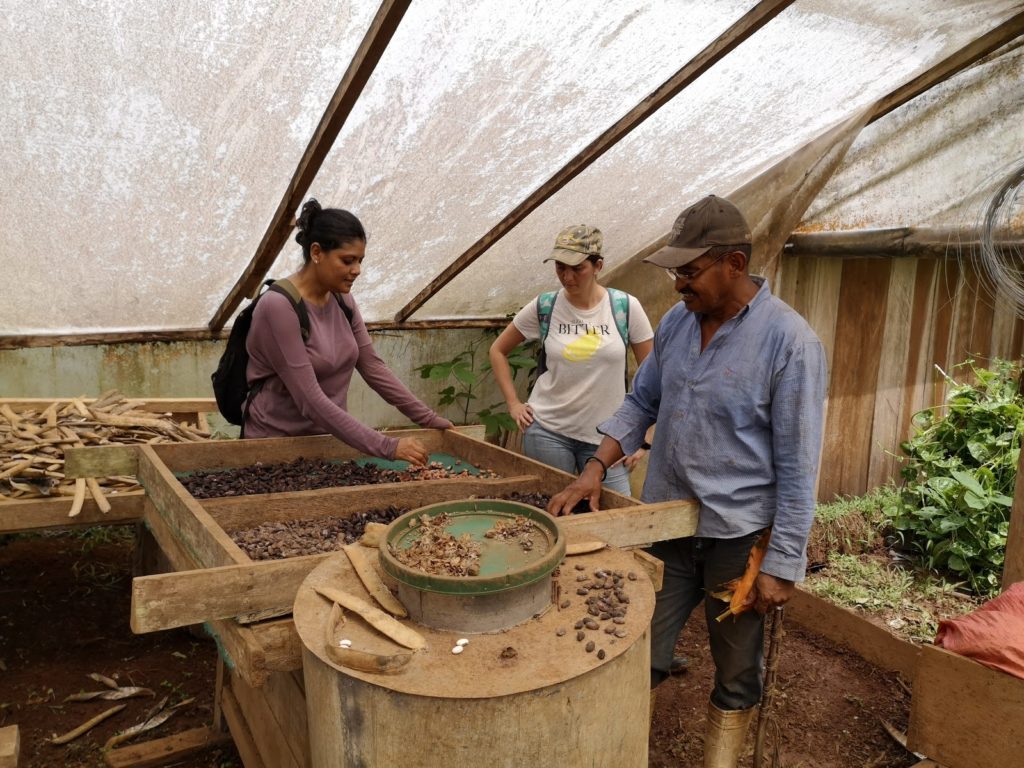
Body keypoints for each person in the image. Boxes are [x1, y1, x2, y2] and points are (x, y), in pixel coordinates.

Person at [547, 196, 827, 767]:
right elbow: (641, 401)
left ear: (734, 262)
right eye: (676, 271)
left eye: (690, 271)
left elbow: (800, 467)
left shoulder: (790, 343)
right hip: (668, 525)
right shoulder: (677, 324)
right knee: (637, 645)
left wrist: (783, 563)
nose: (679, 284)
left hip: (738, 537)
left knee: (736, 666)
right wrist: (595, 467)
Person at [244, 199, 452, 463]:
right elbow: (310, 399)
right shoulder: (279, 306)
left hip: (329, 442)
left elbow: (372, 367)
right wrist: (387, 446)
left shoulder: (343, 301)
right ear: (317, 252)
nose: (357, 270)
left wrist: (430, 419)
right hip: (275, 448)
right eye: (348, 260)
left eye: (360, 261)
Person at [489, 224, 654, 496]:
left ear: (598, 265)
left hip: (608, 439)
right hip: (548, 432)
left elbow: (652, 376)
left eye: (577, 268)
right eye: (560, 267)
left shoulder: (624, 307)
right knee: (553, 511)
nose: (567, 277)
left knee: (613, 514)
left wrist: (645, 437)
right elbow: (498, 350)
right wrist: (513, 404)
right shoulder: (546, 306)